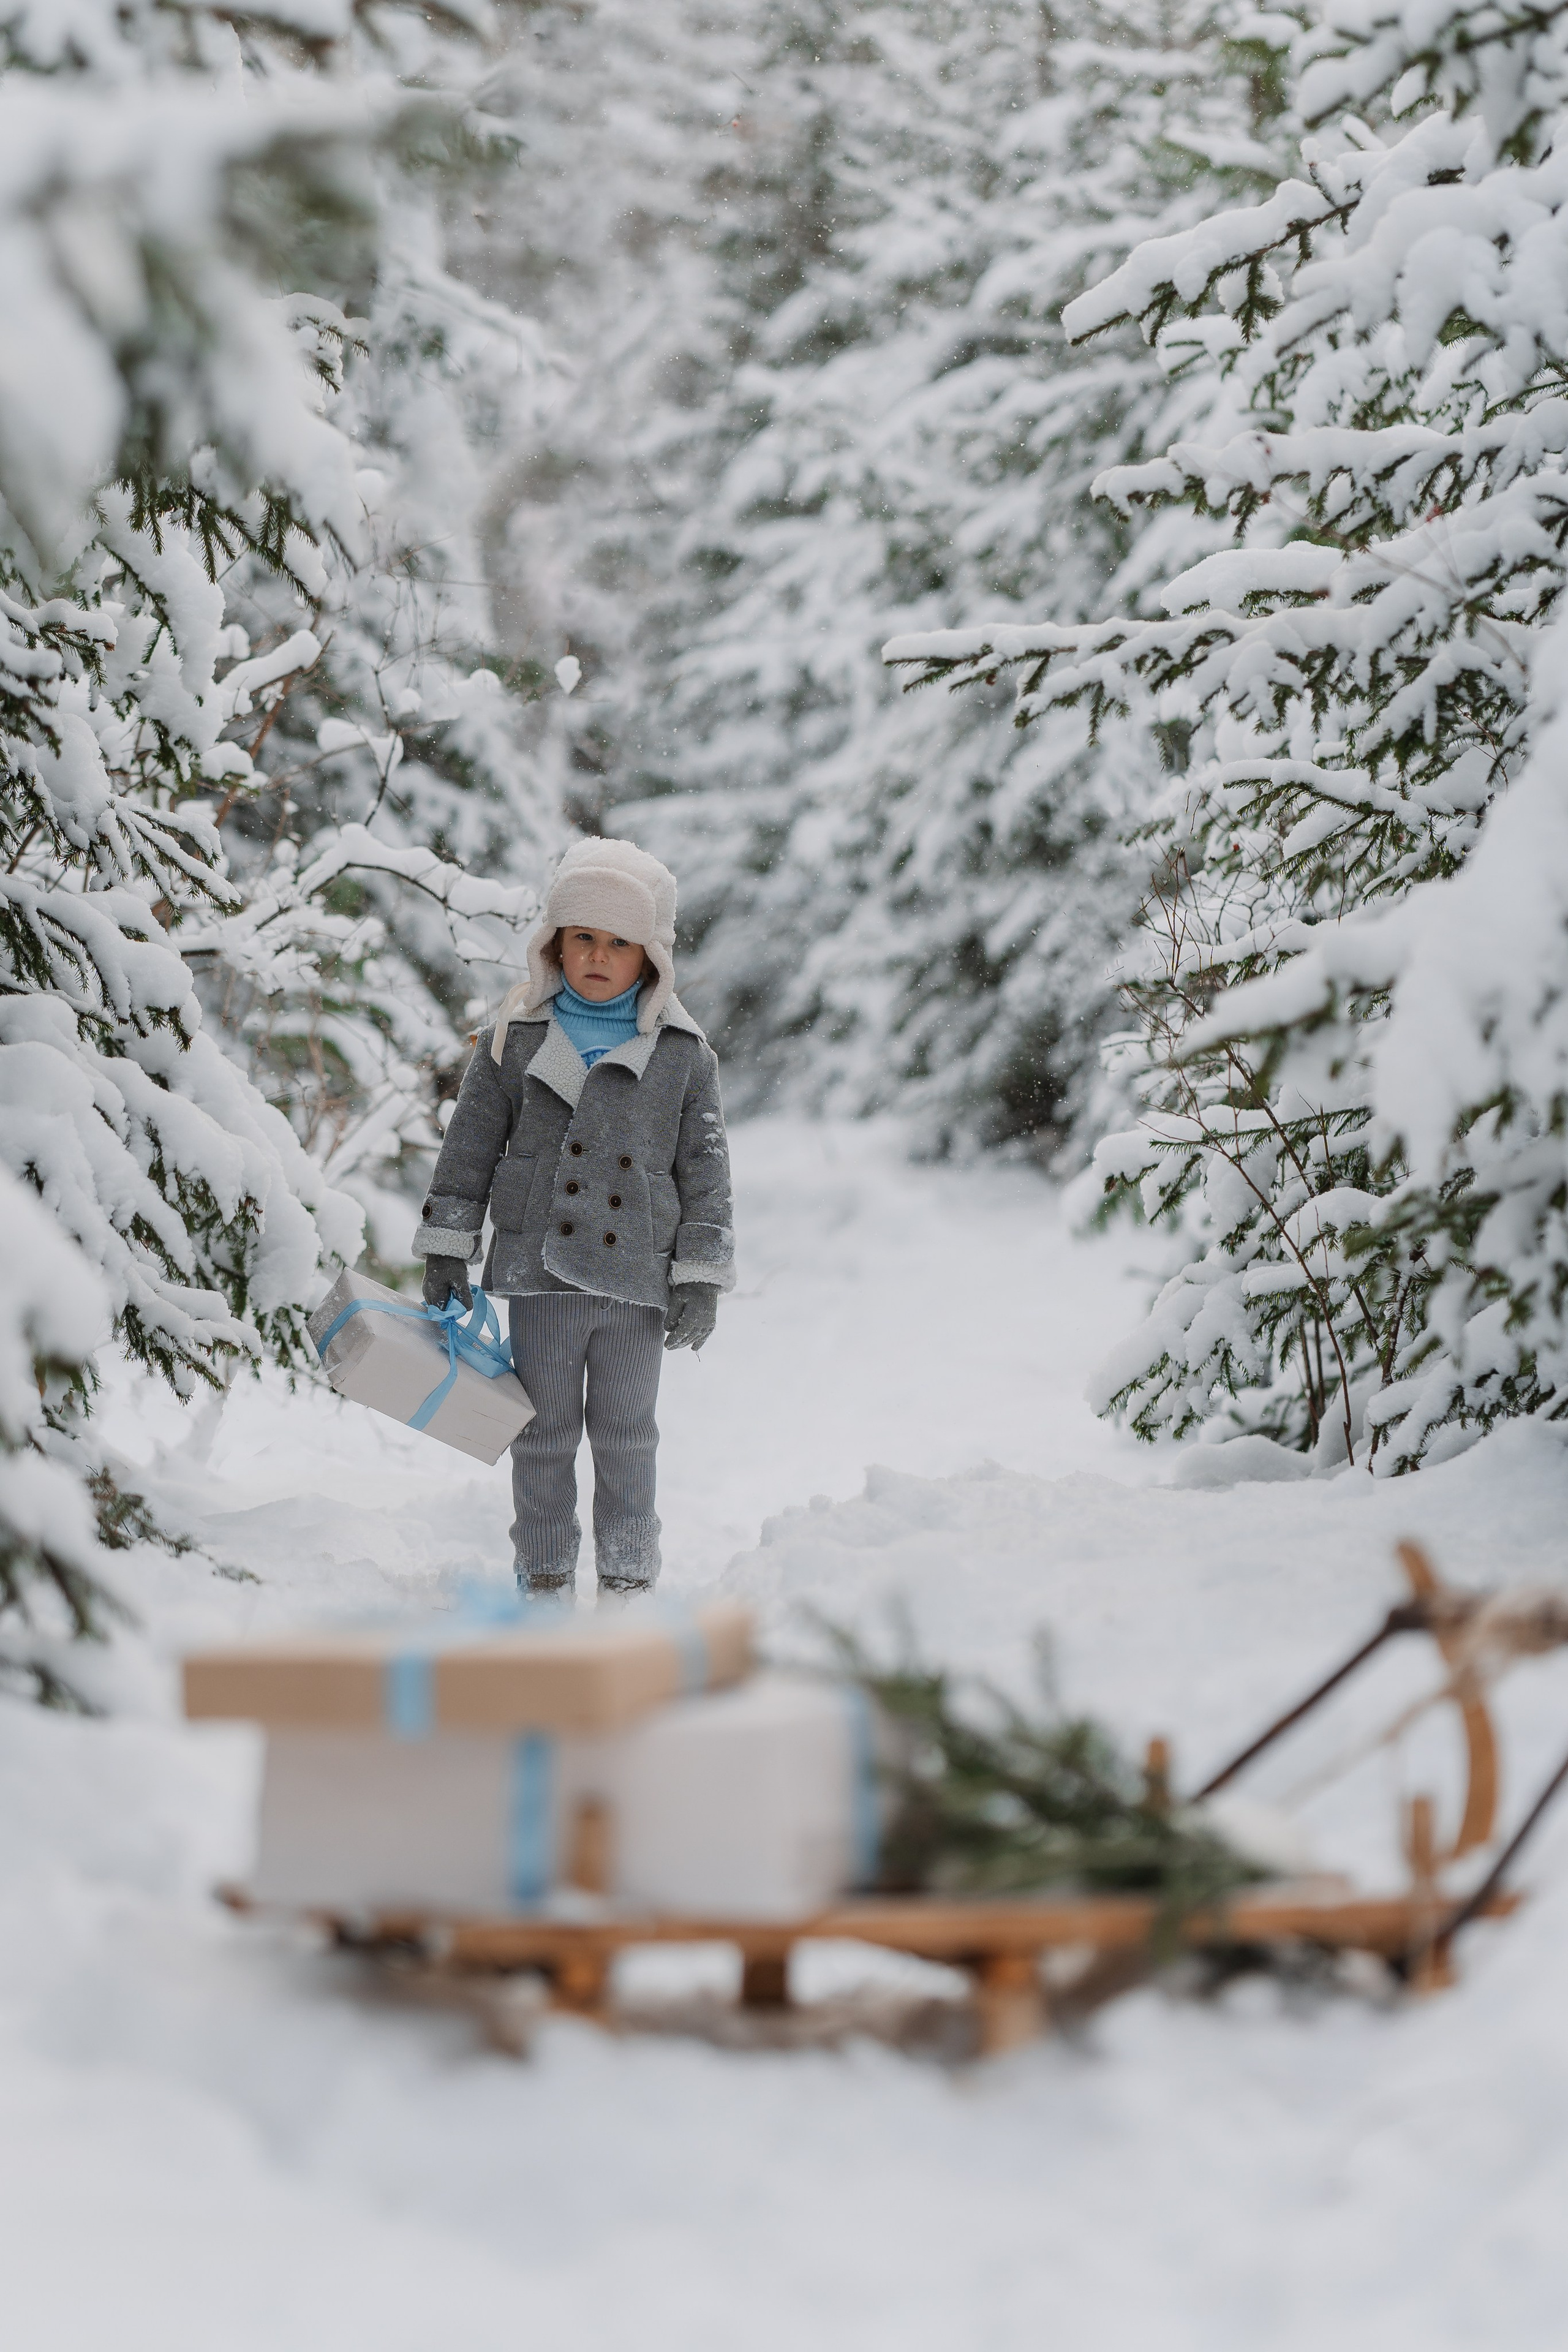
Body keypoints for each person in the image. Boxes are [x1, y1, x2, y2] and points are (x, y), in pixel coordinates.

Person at [413, 839, 734, 1599]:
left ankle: (627, 1571)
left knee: (627, 1435)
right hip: (539, 1269)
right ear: (553, 943)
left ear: (648, 958)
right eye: (583, 937)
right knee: (543, 1433)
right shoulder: (515, 1038)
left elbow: (706, 1168)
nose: (598, 955)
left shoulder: (682, 1053)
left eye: (619, 942)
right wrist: (448, 1247)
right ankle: (545, 1571)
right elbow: (470, 1146)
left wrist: (699, 1274)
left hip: (635, 1278)